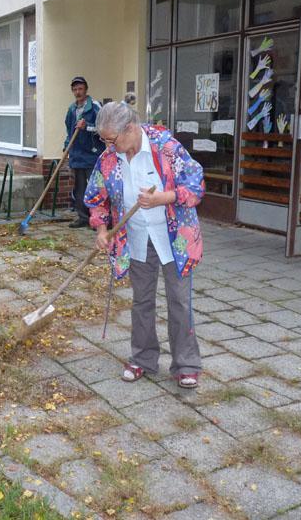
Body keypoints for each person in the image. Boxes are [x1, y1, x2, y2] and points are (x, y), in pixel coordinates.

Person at [84, 102, 205, 389]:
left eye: (111, 139)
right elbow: (95, 198)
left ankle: (186, 365)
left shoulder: (167, 148)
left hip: (174, 240)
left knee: (179, 301)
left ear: (131, 128)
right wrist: (102, 229)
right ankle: (143, 359)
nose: (108, 146)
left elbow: (196, 185)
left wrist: (163, 198)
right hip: (136, 239)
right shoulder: (109, 159)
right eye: (104, 140)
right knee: (142, 302)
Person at [64, 76, 104, 228]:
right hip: (77, 154)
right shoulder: (71, 109)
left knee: (95, 188)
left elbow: (103, 128)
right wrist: (66, 147)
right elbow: (69, 132)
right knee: (79, 189)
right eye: (75, 89)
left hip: (92, 154)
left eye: (80, 89)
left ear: (86, 89)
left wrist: (86, 126)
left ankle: (99, 220)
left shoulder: (95, 106)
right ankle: (82, 217)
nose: (77, 92)